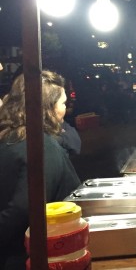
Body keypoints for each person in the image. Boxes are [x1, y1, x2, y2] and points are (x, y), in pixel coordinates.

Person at [0, 71, 81, 269]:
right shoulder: (41, 147)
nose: (66, 109)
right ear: (48, 108)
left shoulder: (9, 137)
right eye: (62, 103)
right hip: (29, 258)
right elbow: (24, 208)